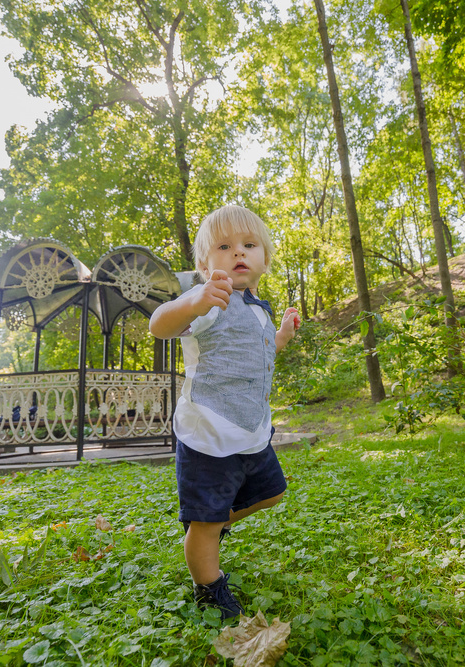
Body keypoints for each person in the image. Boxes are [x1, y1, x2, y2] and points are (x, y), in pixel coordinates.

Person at [149, 204, 301, 620]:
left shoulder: (258, 310)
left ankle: (210, 526)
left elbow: (261, 352)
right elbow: (159, 325)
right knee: (205, 524)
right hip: (209, 433)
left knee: (272, 493)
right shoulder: (209, 299)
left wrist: (281, 335)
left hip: (251, 431)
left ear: (264, 259)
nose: (238, 253)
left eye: (249, 245)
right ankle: (208, 586)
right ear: (205, 263)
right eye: (224, 246)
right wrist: (193, 301)